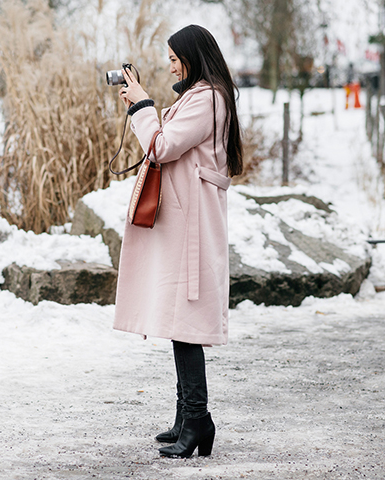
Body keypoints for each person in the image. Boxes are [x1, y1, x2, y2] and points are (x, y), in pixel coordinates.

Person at [113, 24, 243, 458]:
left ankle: (198, 420)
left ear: (192, 55)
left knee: (184, 322)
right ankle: (187, 418)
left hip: (191, 223)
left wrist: (142, 106)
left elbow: (162, 146)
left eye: (174, 57)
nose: (170, 65)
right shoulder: (203, 95)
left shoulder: (206, 97)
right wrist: (145, 106)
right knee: (177, 319)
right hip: (188, 218)